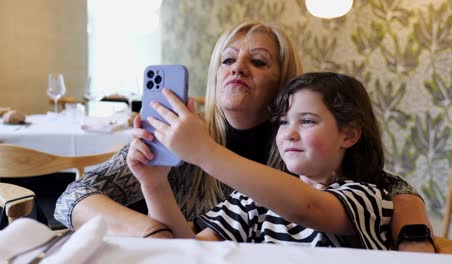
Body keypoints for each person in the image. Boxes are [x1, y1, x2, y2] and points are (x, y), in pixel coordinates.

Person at [54, 20, 434, 252]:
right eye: (228, 59)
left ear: (284, 84)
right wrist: (154, 206)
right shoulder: (187, 142)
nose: (238, 68)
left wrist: (414, 233)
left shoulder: (301, 168)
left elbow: (378, 189)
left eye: (258, 61)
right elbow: (75, 196)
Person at [130, 72, 394, 249]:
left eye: (307, 121)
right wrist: (154, 185)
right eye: (282, 122)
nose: (289, 133)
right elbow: (190, 251)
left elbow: (308, 206)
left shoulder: (369, 199)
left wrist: (204, 151)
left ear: (348, 135)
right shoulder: (253, 201)